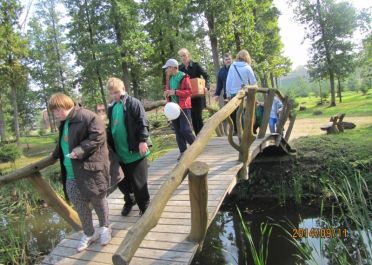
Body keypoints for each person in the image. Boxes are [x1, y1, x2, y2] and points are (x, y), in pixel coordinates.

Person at [49, 93, 123, 252]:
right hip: (70, 173)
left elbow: (98, 136)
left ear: (66, 105)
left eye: (57, 110)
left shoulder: (88, 116)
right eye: (53, 111)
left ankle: (105, 227)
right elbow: (63, 142)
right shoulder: (65, 122)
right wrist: (53, 155)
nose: (55, 114)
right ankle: (89, 233)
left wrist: (79, 150)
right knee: (79, 204)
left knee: (98, 199)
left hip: (90, 169)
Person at [106, 77, 151, 217]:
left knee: (139, 183)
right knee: (122, 183)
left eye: (117, 92)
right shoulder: (112, 107)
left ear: (123, 88)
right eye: (112, 93)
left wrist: (143, 140)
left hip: (135, 152)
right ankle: (129, 200)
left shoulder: (133, 103)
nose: (115, 95)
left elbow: (142, 121)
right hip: (120, 153)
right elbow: (112, 127)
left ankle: (144, 206)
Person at [163, 59, 196, 161]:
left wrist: (175, 92)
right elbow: (169, 90)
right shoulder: (169, 78)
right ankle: (183, 152)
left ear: (173, 67)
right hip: (173, 109)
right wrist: (167, 93)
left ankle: (196, 147)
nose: (166, 70)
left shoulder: (184, 77)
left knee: (185, 129)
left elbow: (189, 92)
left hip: (183, 107)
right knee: (177, 131)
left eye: (167, 68)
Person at [178, 48, 210, 135]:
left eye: (184, 55)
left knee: (198, 118)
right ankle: (197, 139)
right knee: (192, 118)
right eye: (181, 56)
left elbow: (206, 76)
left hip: (198, 97)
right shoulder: (180, 69)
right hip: (188, 98)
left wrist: (206, 87)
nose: (183, 58)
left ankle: (202, 138)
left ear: (188, 55)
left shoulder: (196, 65)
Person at [226, 49, 257, 133]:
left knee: (237, 114)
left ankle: (238, 132)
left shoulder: (232, 66)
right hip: (245, 93)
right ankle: (246, 132)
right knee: (245, 113)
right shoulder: (247, 67)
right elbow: (254, 83)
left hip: (234, 94)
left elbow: (228, 81)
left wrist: (228, 94)